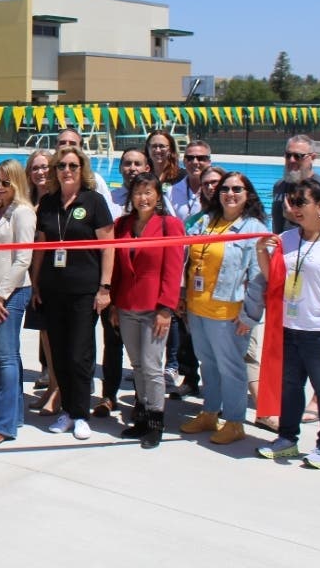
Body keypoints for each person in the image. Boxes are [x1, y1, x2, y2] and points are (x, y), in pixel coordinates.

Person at [254, 178, 320, 468]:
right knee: (290, 387)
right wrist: (262, 252)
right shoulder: (287, 239)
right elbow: (275, 279)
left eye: (301, 202)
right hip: (289, 328)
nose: (294, 208)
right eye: (291, 202)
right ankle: (287, 439)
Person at [30, 146, 114, 441]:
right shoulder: (49, 203)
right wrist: (36, 282)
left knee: (80, 354)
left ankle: (81, 414)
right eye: (61, 166)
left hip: (84, 291)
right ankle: (67, 409)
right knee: (60, 355)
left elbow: (108, 246)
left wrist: (105, 287)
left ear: (82, 170)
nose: (67, 171)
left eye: (73, 166)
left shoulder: (95, 201)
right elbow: (40, 246)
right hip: (53, 290)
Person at [180, 171, 267, 445]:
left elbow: (258, 277)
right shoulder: (207, 221)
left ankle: (234, 420)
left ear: (248, 194)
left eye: (237, 189)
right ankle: (209, 412)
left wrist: (250, 316)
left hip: (228, 313)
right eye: (225, 189)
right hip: (199, 307)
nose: (230, 193)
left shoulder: (254, 229)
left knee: (231, 369)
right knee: (208, 364)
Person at [268, 135, 320, 426]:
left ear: (312, 157)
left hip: (318, 270)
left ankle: (317, 398)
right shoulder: (280, 187)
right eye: (288, 154)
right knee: (292, 346)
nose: (292, 160)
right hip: (288, 270)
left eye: (298, 156)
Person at [109, 172, 184, 448]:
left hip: (154, 308)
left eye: (148, 193)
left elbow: (173, 270)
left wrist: (166, 308)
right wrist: (115, 303)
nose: (143, 198)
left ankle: (155, 420)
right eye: (138, 193)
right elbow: (117, 268)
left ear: (157, 196)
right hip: (127, 305)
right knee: (137, 364)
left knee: (153, 367)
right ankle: (140, 413)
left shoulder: (170, 226)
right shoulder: (122, 225)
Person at [0, 159, 35, 446]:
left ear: (16, 184)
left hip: (11, 292)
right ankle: (13, 414)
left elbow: (23, 258)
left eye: (5, 183)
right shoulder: (3, 208)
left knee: (6, 358)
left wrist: (1, 294)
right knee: (10, 355)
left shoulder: (23, 212)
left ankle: (4, 423)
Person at [171, 164, 227, 402]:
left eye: (216, 183)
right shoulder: (196, 221)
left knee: (225, 355)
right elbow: (184, 258)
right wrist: (181, 293)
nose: (211, 188)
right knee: (201, 350)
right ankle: (202, 393)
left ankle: (228, 405)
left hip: (226, 299)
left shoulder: (243, 221)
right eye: (206, 184)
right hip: (198, 294)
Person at [24, 149, 58, 413]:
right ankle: (52, 385)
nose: (40, 172)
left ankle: (58, 389)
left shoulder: (58, 201)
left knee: (58, 335)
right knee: (46, 334)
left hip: (55, 274)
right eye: (35, 168)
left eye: (45, 167)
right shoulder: (27, 200)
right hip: (33, 275)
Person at [170, 141, 212, 220]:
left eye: (201, 158)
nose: (195, 162)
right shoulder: (171, 192)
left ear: (209, 162)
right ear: (184, 162)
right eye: (190, 158)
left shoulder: (219, 191)